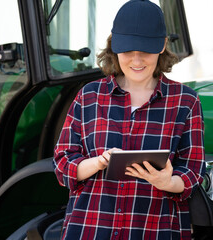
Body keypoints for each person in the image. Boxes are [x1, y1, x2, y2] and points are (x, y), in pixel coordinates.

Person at [52, 0, 205, 239]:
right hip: (90, 229)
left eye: (144, 51)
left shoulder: (186, 101)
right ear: (114, 46)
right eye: (127, 51)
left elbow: (193, 173)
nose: (136, 61)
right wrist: (99, 162)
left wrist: (166, 181)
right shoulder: (89, 95)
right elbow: (63, 166)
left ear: (162, 45)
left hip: (154, 230)